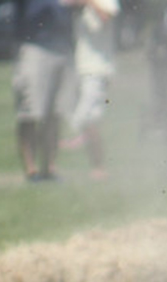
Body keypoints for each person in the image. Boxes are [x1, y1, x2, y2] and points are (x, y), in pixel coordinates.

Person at [12, 0, 71, 181]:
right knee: (30, 112)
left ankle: (50, 168)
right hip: (34, 46)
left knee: (55, 113)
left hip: (63, 48)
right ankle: (31, 170)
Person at [62, 0, 114, 180]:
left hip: (98, 68)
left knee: (85, 115)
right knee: (92, 119)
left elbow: (107, 17)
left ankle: (76, 135)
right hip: (81, 66)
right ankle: (98, 167)